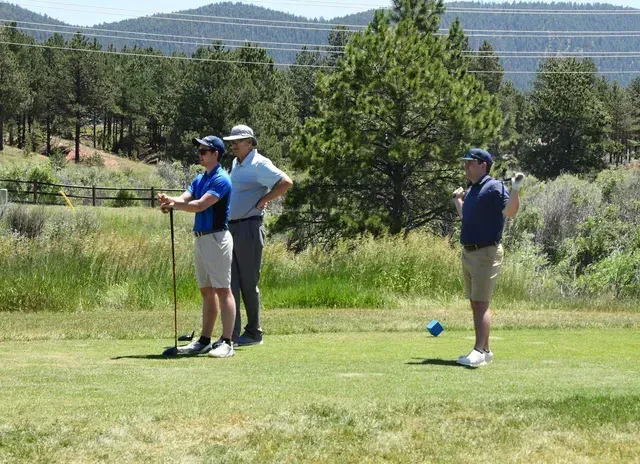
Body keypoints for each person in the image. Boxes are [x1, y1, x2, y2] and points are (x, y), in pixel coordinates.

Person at [158, 135, 236, 358]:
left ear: (216, 154)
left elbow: (201, 205)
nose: (200, 154)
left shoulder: (222, 179)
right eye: (199, 151)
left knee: (223, 289)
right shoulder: (200, 179)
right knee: (206, 291)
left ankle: (227, 342)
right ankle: (204, 340)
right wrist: (169, 202)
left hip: (217, 238)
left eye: (204, 151)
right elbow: (185, 199)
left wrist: (175, 204)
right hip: (201, 238)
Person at [452, 148, 524, 367]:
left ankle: (478, 352)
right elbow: (467, 218)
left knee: (481, 303)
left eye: (470, 163)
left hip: (485, 252)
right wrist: (458, 200)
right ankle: (486, 351)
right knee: (476, 303)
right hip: (470, 251)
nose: (466, 166)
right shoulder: (475, 189)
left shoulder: (494, 187)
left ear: (483, 165)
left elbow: (511, 212)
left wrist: (515, 189)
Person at [222, 125, 293, 346]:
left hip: (249, 227)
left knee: (248, 282)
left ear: (251, 142)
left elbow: (285, 182)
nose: (234, 144)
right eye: (232, 141)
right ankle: (231, 335)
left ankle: (253, 332)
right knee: (230, 282)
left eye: (239, 141)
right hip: (232, 227)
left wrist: (264, 200)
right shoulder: (237, 163)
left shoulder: (259, 163)